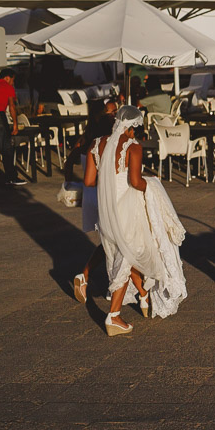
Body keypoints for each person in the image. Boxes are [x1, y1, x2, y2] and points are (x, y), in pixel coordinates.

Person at [84, 106, 187, 336]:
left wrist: (108, 179)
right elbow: (136, 181)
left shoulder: (96, 144)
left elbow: (90, 181)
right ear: (132, 128)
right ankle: (114, 315)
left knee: (119, 255)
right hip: (127, 209)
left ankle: (142, 294)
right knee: (128, 257)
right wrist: (152, 183)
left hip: (107, 210)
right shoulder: (133, 147)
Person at [71, 98, 118, 303]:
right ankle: (92, 277)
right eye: (112, 112)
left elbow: (68, 162)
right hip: (104, 193)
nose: (115, 115)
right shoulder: (106, 139)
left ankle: (88, 277)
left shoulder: (86, 137)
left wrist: (69, 184)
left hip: (91, 193)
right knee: (114, 241)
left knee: (110, 240)